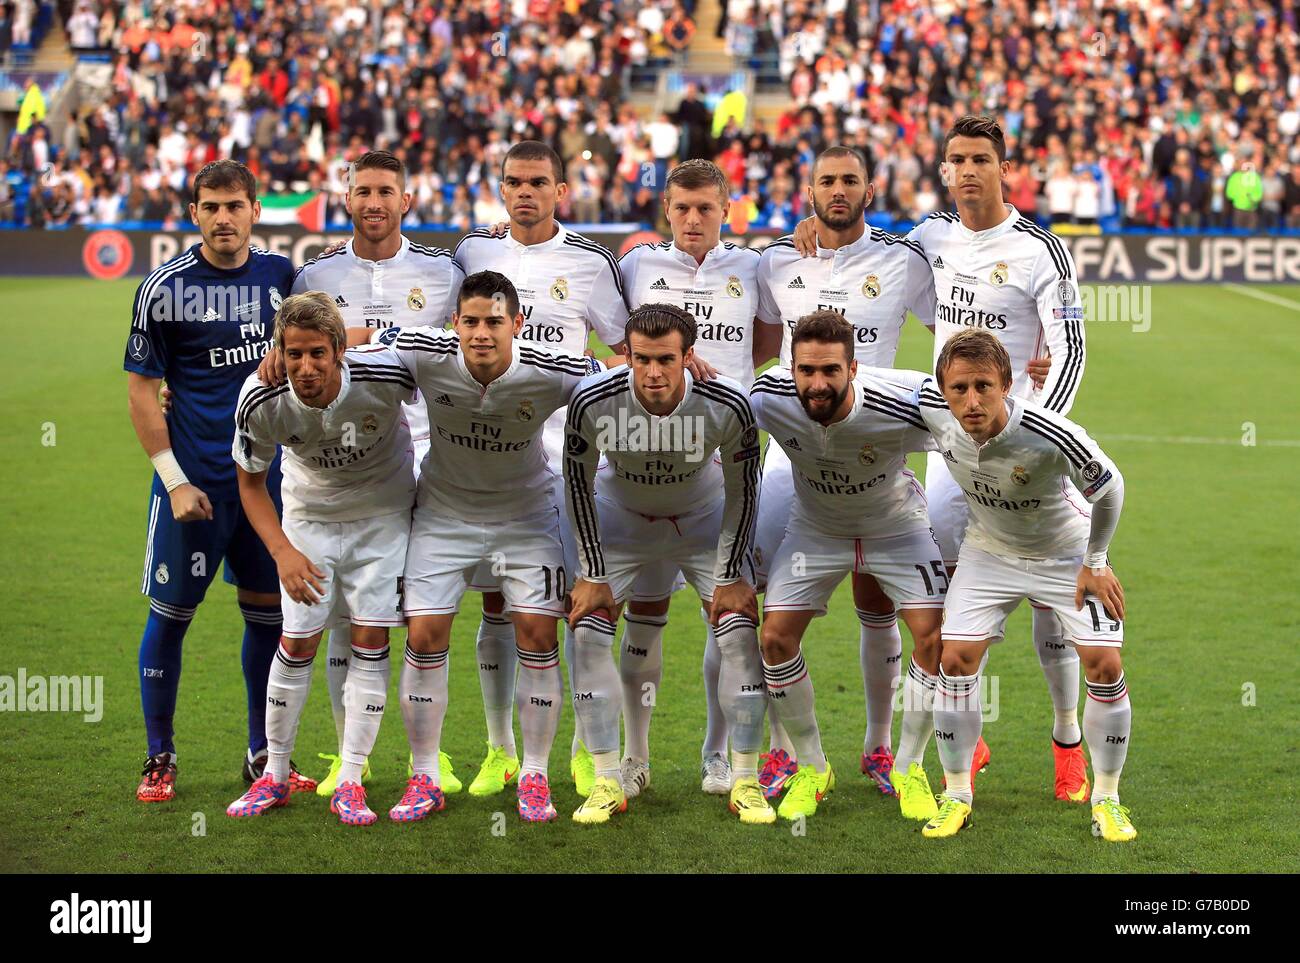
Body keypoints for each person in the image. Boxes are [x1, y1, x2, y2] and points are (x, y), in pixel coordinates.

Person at [794, 117, 1087, 803]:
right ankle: (965, 739)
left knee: (1053, 609)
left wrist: (1034, 431)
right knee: (951, 602)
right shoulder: (928, 236)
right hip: (951, 451)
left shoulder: (1043, 250)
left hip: (1026, 448)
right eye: (956, 159)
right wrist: (818, 235)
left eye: (981, 159)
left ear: (1004, 166)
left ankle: (1068, 739)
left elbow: (1071, 349)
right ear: (944, 169)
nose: (967, 171)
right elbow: (870, 251)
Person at [374, 270, 602, 822]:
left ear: (517, 324)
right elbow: (355, 358)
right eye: (470, 321)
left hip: (525, 516)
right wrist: (282, 359)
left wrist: (679, 371)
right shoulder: (421, 351)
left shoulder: (555, 367)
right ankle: (424, 774)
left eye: (494, 322)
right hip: (443, 514)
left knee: (537, 631)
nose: (481, 333)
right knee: (425, 635)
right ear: (453, 322)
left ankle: (535, 774)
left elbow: (614, 383)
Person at [755, 146, 936, 801]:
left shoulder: (902, 257)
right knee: (766, 607)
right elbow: (755, 341)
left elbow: (958, 323)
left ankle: (879, 743)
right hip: (792, 458)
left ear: (869, 186)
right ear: (809, 188)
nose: (838, 190)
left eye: (850, 180)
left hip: (878, 444)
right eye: (827, 180)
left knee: (877, 599)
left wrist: (1021, 362)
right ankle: (781, 750)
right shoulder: (775, 257)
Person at [124, 160, 303, 802]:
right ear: (193, 213)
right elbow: (143, 393)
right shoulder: (163, 288)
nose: (223, 217)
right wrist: (172, 479)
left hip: (270, 483)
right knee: (171, 617)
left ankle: (262, 754)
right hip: (193, 486)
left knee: (268, 620)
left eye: (234, 205)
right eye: (210, 206)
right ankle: (159, 754)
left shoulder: (283, 277)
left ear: (255, 210)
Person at [453, 141, 628, 800]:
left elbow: (624, 348)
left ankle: (587, 750)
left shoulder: (591, 261)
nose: (525, 192)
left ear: (561, 188)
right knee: (497, 604)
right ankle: (501, 749)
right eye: (514, 181)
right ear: (500, 187)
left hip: (568, 466)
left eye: (538, 182)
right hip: (487, 461)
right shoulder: (475, 252)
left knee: (579, 609)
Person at [912, 331, 1134, 843]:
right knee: (955, 659)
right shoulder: (929, 407)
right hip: (989, 551)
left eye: (983, 387)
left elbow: (1110, 485)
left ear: (1007, 385)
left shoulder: (1049, 432)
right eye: (959, 388)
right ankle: (957, 794)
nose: (971, 402)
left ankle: (1107, 799)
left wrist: (1096, 562)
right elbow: (867, 381)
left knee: (1105, 663)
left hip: (1064, 552)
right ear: (942, 389)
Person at [290, 148, 464, 798]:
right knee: (345, 616)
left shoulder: (443, 269)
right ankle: (344, 758)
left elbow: (480, 309)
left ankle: (431, 757)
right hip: (352, 463)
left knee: (429, 614)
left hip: (430, 458)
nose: (373, 202)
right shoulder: (316, 272)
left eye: (385, 191)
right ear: (348, 197)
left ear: (405, 199)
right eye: (362, 190)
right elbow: (287, 353)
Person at [563, 304, 767, 824]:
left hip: (700, 522)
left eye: (666, 360)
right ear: (626, 355)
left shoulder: (728, 404)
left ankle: (744, 777)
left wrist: (729, 575)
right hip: (623, 522)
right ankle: (609, 778)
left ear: (689, 357)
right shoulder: (592, 400)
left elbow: (745, 490)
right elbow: (578, 484)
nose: (653, 373)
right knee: (586, 630)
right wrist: (592, 571)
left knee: (738, 629)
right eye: (642, 359)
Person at [615, 158, 778, 797]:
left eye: (705, 208)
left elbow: (766, 341)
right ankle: (634, 757)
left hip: (725, 466)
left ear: (726, 209)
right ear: (666, 211)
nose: (691, 219)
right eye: (680, 208)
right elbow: (613, 343)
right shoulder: (635, 267)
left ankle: (717, 756)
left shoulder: (753, 267)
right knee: (645, 613)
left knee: (730, 611)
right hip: (644, 466)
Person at [226, 293, 416, 825]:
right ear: (278, 352)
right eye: (293, 355)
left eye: (316, 354)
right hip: (308, 519)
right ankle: (275, 775)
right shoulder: (260, 398)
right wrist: (282, 552)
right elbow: (248, 481)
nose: (305, 368)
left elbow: (440, 369)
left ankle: (351, 781)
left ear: (338, 352)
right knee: (297, 639)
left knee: (370, 637)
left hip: (382, 517)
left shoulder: (384, 373)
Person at [750, 312, 945, 821]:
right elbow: (717, 415)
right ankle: (814, 767)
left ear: (853, 368)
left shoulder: (905, 401)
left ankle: (907, 765)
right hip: (817, 530)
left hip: (895, 528)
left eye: (830, 371)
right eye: (806, 371)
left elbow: (978, 415)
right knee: (774, 638)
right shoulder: (770, 396)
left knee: (934, 637)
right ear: (790, 367)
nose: (817, 384)